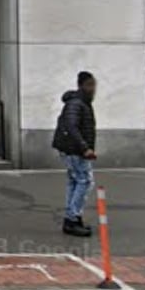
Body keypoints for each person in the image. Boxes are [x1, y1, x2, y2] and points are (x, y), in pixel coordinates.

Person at [52, 71, 98, 237]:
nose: (93, 89)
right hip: (74, 150)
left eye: (94, 85)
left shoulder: (80, 103)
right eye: (90, 85)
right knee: (85, 181)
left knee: (75, 181)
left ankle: (73, 217)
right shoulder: (77, 103)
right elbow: (72, 127)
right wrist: (85, 147)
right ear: (81, 86)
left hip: (72, 149)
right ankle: (72, 218)